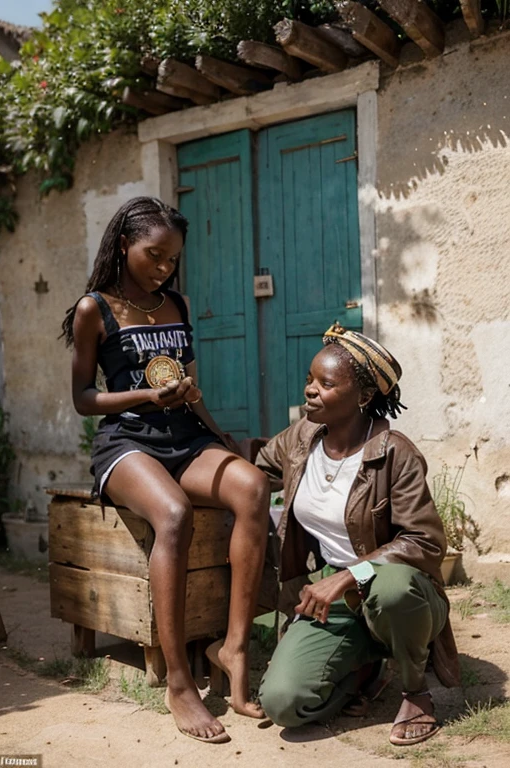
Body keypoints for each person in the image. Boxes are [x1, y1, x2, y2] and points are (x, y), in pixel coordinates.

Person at [61, 196, 270, 744]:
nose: (163, 268)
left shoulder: (176, 303)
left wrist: (213, 425)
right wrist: (145, 395)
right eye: (154, 255)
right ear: (124, 245)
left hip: (184, 435)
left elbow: (184, 379)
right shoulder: (95, 308)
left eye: (172, 259)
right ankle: (180, 682)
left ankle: (233, 648)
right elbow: (83, 397)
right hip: (126, 441)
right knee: (173, 514)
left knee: (252, 487)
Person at [255, 323, 460, 746]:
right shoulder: (301, 439)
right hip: (338, 598)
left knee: (390, 589)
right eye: (310, 380)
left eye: (326, 384)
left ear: (364, 396)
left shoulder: (395, 452)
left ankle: (416, 692)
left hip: (402, 589)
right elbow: (254, 466)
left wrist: (349, 576)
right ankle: (365, 668)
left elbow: (423, 541)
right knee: (282, 703)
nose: (311, 390)